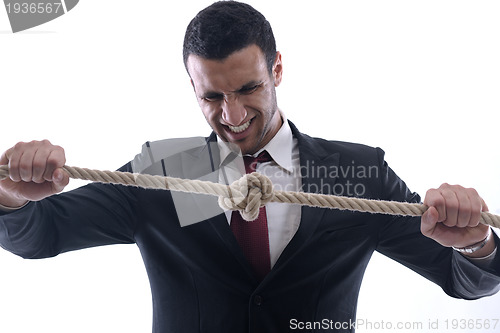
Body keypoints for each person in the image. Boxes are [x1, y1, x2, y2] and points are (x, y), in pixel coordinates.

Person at [0, 1, 499, 332]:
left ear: (276, 69)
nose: (232, 116)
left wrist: (475, 243)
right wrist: (12, 193)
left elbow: (466, 281)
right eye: (212, 96)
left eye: (248, 89)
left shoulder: (356, 172)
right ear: (191, 86)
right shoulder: (166, 167)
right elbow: (38, 236)